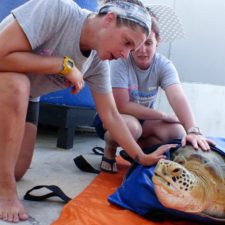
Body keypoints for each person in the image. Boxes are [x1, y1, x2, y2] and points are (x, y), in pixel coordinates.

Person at [0, 0, 176, 222]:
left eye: (132, 49)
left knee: (16, 170)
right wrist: (64, 65)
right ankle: (4, 190)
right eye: (127, 42)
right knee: (18, 84)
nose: (125, 54)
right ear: (109, 19)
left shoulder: (97, 63)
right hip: (8, 82)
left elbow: (111, 115)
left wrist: (141, 157)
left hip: (29, 98)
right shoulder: (57, 9)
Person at [94, 12, 215, 173]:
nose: (142, 50)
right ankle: (110, 148)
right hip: (115, 118)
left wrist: (192, 130)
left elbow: (177, 96)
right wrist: (163, 115)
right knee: (133, 128)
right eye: (139, 44)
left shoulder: (164, 65)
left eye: (149, 43)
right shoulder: (121, 61)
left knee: (177, 131)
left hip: (145, 120)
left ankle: (135, 152)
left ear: (158, 41)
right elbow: (121, 106)